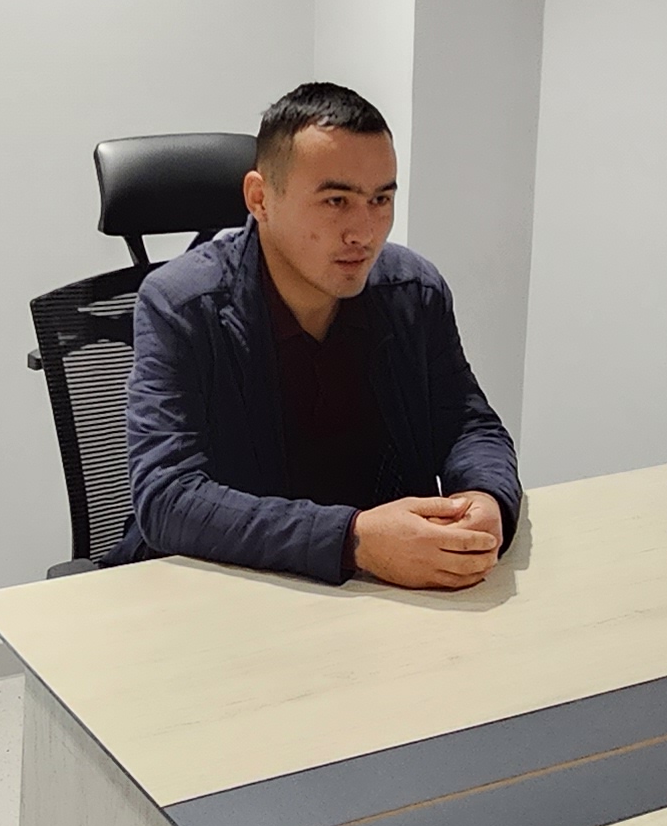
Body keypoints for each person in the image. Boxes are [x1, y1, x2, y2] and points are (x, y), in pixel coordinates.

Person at [111, 81, 524, 590]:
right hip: (230, 593)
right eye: (335, 200)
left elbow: (468, 425)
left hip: (385, 596)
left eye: (380, 199)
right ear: (260, 198)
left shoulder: (412, 292)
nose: (364, 232)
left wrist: (485, 497)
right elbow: (168, 497)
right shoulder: (181, 306)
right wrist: (353, 540)